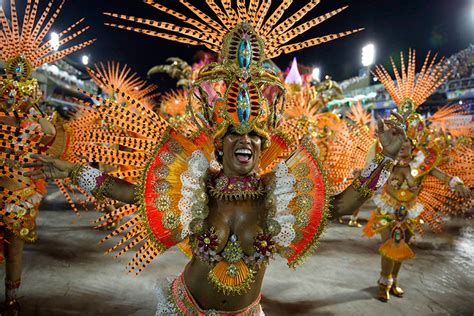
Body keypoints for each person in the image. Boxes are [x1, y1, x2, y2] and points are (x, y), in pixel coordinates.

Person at [26, 1, 406, 314]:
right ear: (219, 144)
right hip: (185, 307)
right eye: (235, 135)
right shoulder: (199, 186)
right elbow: (128, 193)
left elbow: (340, 206)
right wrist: (75, 171)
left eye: (255, 137)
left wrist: (385, 159)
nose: (246, 141)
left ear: (263, 145)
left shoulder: (279, 193)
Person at [0, 1, 93, 313]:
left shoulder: (35, 123)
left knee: (14, 249)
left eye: (21, 89)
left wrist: (40, 115)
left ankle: (11, 301)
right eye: (9, 89)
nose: (14, 95)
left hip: (19, 193)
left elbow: (56, 139)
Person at [364, 50, 473, 302]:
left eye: (407, 143)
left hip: (410, 211)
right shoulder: (388, 162)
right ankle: (383, 284)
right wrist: (363, 173)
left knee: (403, 247)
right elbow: (371, 174)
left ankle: (394, 283)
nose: (403, 146)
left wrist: (457, 184)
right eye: (399, 141)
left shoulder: (422, 164)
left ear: (414, 145)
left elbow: (442, 175)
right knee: (390, 247)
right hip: (387, 211)